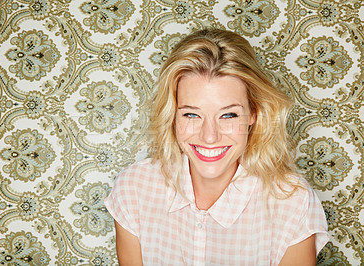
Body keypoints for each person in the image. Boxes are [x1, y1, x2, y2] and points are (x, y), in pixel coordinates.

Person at [104, 28, 329, 265]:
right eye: (191, 115)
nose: (209, 137)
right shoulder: (134, 188)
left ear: (254, 113)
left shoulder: (293, 202)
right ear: (172, 116)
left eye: (228, 115)